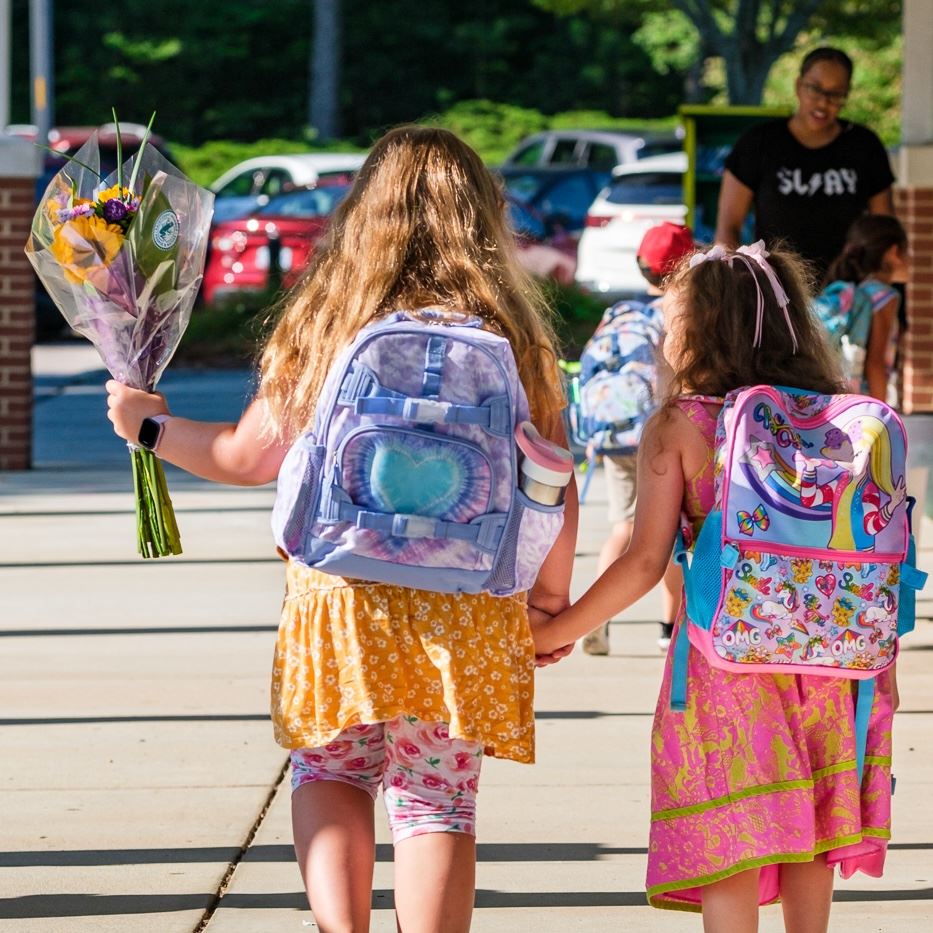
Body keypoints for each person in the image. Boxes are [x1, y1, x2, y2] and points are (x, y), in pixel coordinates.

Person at [106, 125, 578, 933]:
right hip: (465, 601)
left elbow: (243, 456)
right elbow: (551, 477)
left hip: (341, 593)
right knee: (436, 800)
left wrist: (145, 427)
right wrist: (547, 598)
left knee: (331, 766)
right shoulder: (518, 340)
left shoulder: (327, 325)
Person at [531, 242, 897, 931]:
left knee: (733, 828)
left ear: (699, 329)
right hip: (831, 660)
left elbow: (643, 562)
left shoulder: (682, 424)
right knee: (809, 825)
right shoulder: (841, 420)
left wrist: (554, 630)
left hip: (726, 660)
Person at [582, 222, 692, 656]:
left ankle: (597, 618)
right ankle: (670, 629)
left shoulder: (618, 314)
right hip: (660, 435)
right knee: (670, 535)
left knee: (623, 527)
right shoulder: (679, 311)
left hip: (613, 434)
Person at [716, 47, 895, 280]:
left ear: (846, 96)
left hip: (847, 296)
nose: (823, 102)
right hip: (777, 294)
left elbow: (884, 231)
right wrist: (738, 284)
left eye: (836, 94)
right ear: (799, 85)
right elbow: (728, 226)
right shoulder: (759, 143)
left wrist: (879, 290)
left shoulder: (864, 146)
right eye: (814, 88)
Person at [817, 213, 908, 402]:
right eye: (907, 251)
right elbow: (875, 363)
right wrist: (882, 412)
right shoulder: (885, 296)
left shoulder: (855, 290)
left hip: (840, 396)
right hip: (864, 401)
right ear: (893, 253)